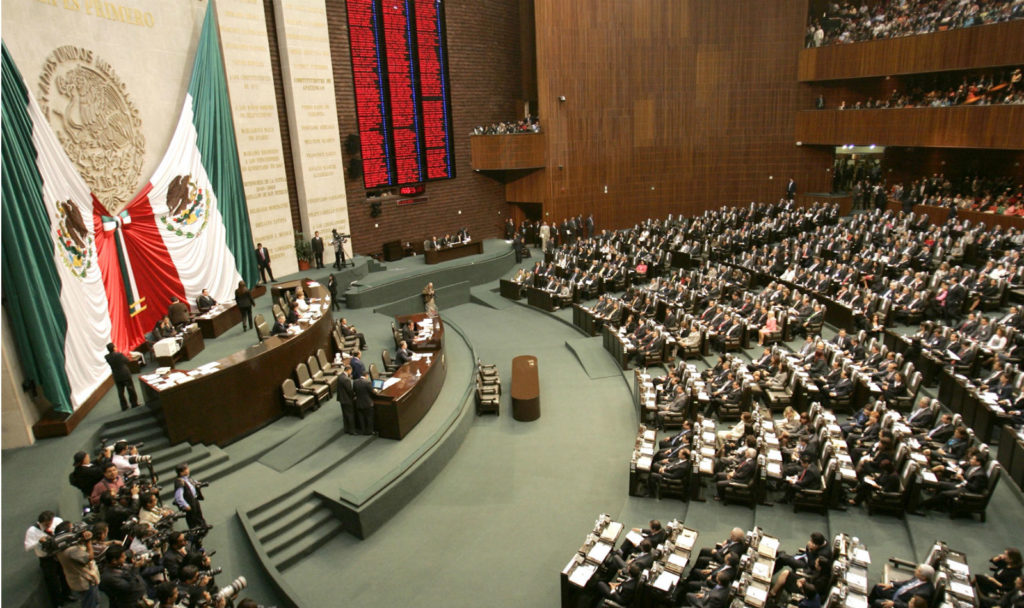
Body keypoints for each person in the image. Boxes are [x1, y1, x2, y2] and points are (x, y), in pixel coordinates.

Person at [24, 510, 71, 607]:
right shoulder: (32, 531)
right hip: (47, 559)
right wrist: (38, 542)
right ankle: (57, 603)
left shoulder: (57, 521)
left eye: (50, 523)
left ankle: (67, 595)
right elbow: (27, 547)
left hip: (58, 554)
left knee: (64, 575)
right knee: (52, 582)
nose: (48, 526)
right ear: (41, 522)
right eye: (46, 524)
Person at [55, 522, 100, 608]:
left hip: (76, 580)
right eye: (73, 529)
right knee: (90, 604)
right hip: (85, 582)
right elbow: (89, 557)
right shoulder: (71, 550)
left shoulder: (61, 548)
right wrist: (88, 542)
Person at [868, 564, 935, 608]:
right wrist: (892, 585)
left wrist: (894, 604)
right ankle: (868, 603)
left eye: (918, 571)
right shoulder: (918, 577)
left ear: (924, 577)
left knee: (878, 603)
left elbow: (910, 606)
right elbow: (906, 583)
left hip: (900, 602)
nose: (915, 570)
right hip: (897, 593)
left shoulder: (924, 592)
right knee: (878, 587)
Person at [105, 343, 139, 411]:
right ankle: (134, 403)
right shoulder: (119, 355)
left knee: (120, 392)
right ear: (114, 348)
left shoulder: (107, 357)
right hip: (125, 374)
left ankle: (124, 406)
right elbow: (127, 361)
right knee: (130, 389)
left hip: (116, 375)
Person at [173, 463, 206, 528]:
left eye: (187, 468)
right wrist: (185, 505)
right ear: (181, 472)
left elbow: (192, 482)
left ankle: (202, 525)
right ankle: (194, 529)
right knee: (191, 517)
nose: (188, 470)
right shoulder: (179, 482)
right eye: (185, 469)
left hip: (194, 499)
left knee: (198, 513)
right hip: (189, 502)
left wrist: (197, 483)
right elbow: (178, 497)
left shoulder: (187, 477)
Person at [337, 364, 357, 434]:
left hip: (341, 399)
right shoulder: (346, 380)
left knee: (345, 414)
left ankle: (346, 429)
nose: (351, 373)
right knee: (350, 415)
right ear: (349, 370)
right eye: (351, 371)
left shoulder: (340, 376)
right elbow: (350, 391)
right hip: (347, 400)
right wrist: (354, 396)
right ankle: (352, 431)